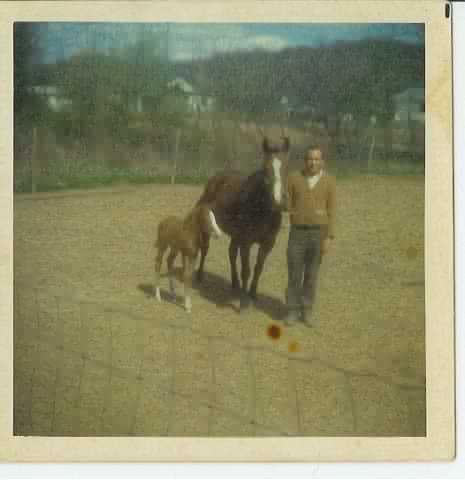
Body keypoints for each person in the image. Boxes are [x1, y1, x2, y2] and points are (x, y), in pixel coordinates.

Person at [284, 145, 336, 327]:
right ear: (305, 161)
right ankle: (292, 310)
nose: (313, 162)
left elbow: (332, 210)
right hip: (297, 234)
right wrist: (293, 215)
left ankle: (307, 311)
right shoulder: (293, 178)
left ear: (322, 161)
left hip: (318, 234)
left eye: (316, 159)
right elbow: (287, 203)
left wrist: (329, 237)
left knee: (311, 275)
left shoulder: (329, 181)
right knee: (294, 273)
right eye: (310, 159)